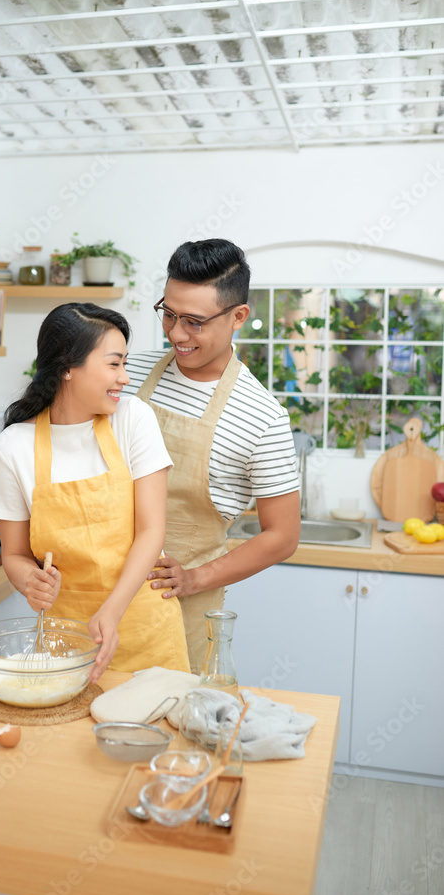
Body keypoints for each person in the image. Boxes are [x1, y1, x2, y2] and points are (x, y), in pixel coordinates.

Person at [124, 239, 301, 673]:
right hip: (98, 590)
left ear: (238, 316)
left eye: (194, 321)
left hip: (178, 608)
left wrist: (194, 578)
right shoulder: (127, 373)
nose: (175, 333)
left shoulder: (263, 418)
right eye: (168, 313)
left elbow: (282, 536)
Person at [0, 302, 190, 682]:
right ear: (67, 368)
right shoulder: (11, 447)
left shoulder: (133, 419)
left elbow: (151, 530)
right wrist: (28, 581)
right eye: (114, 365)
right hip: (69, 643)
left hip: (147, 631)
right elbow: (13, 555)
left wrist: (111, 612)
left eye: (125, 364)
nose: (125, 378)